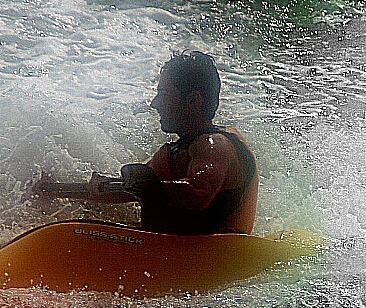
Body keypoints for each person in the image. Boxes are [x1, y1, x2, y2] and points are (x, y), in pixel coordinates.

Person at [85, 51, 258, 235]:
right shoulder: (170, 154)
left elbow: (198, 194)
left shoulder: (216, 145)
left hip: (221, 256)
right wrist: (59, 189)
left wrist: (144, 186)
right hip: (177, 252)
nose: (155, 103)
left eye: (163, 94)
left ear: (193, 101)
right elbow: (126, 190)